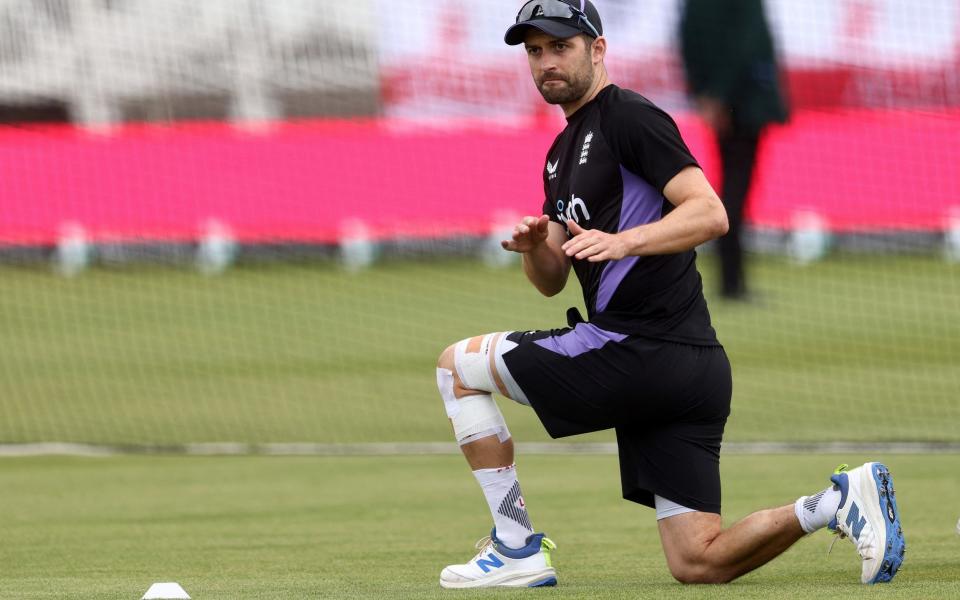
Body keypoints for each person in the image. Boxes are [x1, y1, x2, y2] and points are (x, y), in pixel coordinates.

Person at [434, 0, 903, 588]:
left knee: (457, 368)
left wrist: (624, 241)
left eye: (560, 47)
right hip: (687, 368)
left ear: (597, 49)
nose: (546, 63)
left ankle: (514, 547)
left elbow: (711, 212)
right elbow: (552, 280)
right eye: (535, 52)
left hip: (638, 348)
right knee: (697, 560)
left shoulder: (629, 117)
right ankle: (836, 504)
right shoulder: (559, 155)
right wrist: (535, 247)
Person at [679, 0, 789, 301]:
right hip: (746, 101)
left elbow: (688, 37)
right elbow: (746, 44)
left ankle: (731, 279)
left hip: (728, 100)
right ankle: (732, 282)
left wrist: (705, 94)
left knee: (732, 187)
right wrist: (718, 95)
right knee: (736, 190)